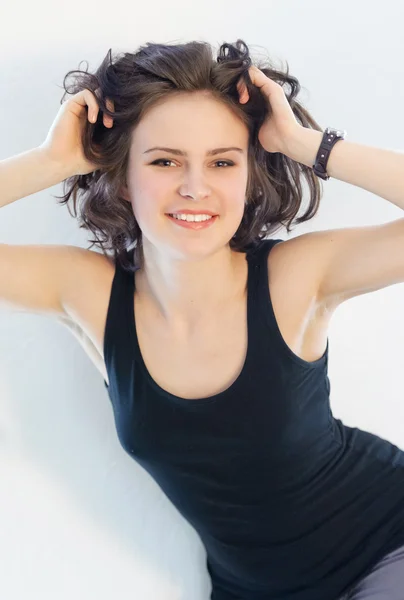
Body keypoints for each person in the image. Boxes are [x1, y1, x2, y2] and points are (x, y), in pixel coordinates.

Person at [1, 39, 404, 599]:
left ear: (248, 173)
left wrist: (303, 143)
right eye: (164, 160)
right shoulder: (88, 294)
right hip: (248, 589)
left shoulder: (294, 277)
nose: (196, 187)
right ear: (120, 175)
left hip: (385, 544)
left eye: (222, 161)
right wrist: (51, 161)